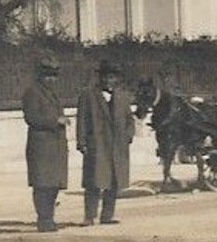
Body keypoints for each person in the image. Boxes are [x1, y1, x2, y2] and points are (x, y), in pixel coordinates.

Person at [76, 60, 135, 226]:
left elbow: (130, 120)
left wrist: (128, 135)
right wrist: (82, 142)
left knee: (113, 181)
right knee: (94, 181)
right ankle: (89, 216)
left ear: (116, 79)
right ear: (100, 78)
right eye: (106, 77)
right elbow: (82, 120)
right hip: (97, 144)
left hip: (117, 145)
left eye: (112, 77)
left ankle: (107, 215)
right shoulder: (88, 95)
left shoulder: (122, 96)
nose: (109, 81)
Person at [22, 58, 68, 231]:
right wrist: (56, 121)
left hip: (54, 146)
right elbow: (32, 118)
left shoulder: (51, 93)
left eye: (54, 76)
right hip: (41, 146)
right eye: (48, 76)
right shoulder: (32, 93)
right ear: (40, 76)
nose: (52, 80)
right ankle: (44, 219)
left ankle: (49, 218)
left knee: (53, 184)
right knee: (42, 185)